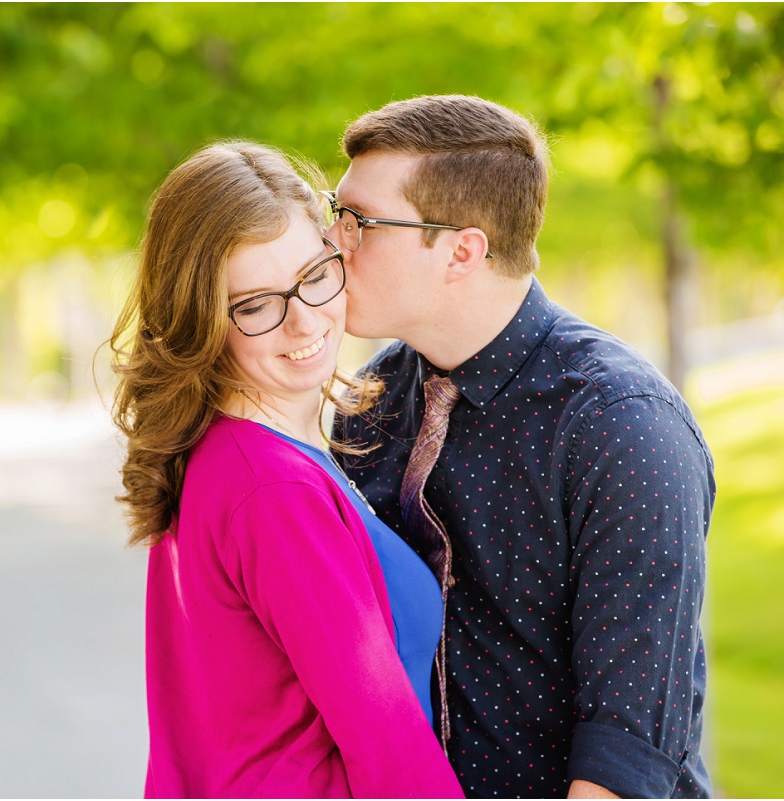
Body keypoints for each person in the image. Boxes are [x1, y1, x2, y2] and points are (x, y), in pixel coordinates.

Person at [328, 95, 714, 799]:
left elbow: (628, 753)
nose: (334, 241)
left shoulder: (621, 424)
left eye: (362, 223)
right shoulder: (367, 405)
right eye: (336, 211)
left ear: (462, 251)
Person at [110, 141, 463, 798]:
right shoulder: (270, 488)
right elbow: (390, 752)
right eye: (255, 303)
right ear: (203, 320)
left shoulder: (229, 454)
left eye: (314, 274)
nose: (304, 318)